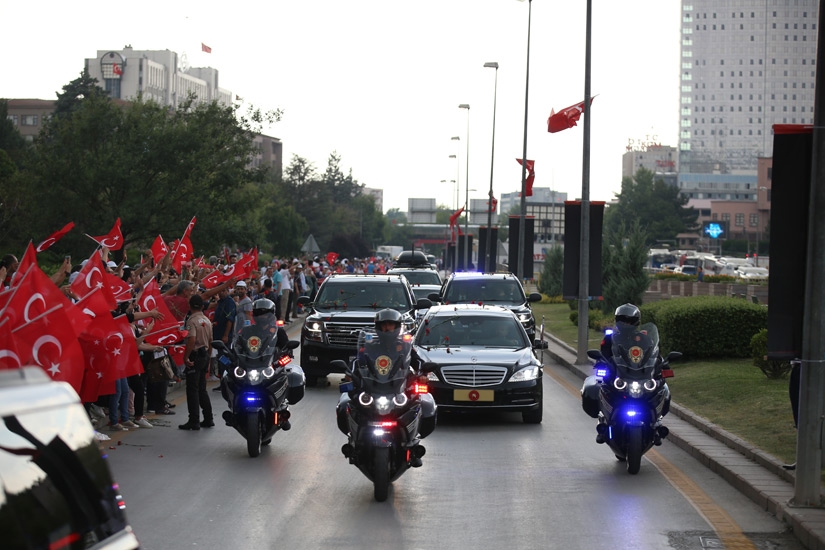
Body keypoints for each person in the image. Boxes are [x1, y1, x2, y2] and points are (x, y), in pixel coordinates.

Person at [179, 294, 214, 430]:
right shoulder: (207, 320)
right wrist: (209, 358)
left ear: (190, 306)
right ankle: (208, 417)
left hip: (195, 355)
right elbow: (211, 341)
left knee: (192, 390)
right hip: (204, 354)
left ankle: (194, 420)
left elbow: (192, 339)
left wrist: (186, 357)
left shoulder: (191, 321)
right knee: (202, 389)